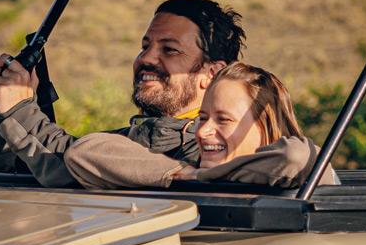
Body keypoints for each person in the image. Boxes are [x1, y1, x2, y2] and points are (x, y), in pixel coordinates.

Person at [0, 0, 244, 187]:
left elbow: (75, 167)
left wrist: (20, 111)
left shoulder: (212, 151)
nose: (146, 59)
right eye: (145, 45)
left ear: (211, 73)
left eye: (169, 49)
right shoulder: (116, 142)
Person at [63, 63, 335, 189]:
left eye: (224, 119)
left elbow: (295, 157)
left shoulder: (307, 177)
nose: (203, 131)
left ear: (266, 126)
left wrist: (202, 178)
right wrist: (180, 173)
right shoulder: (190, 166)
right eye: (203, 118)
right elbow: (84, 152)